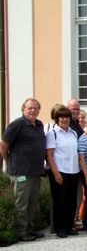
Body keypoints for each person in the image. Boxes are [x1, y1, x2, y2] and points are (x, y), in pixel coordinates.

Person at [0, 98, 46, 241]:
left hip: (35, 171)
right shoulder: (17, 124)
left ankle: (29, 229)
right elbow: (3, 144)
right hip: (21, 172)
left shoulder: (39, 125)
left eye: (35, 108)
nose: (32, 110)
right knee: (21, 202)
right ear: (23, 109)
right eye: (29, 108)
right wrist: (9, 161)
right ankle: (21, 232)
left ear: (39, 110)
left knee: (32, 202)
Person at [45, 106, 80, 238]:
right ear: (57, 118)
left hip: (73, 170)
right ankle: (60, 228)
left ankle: (69, 226)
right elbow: (49, 155)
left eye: (66, 117)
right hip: (60, 170)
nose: (64, 119)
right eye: (61, 117)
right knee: (59, 201)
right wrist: (56, 173)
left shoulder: (73, 133)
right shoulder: (52, 133)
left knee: (71, 200)